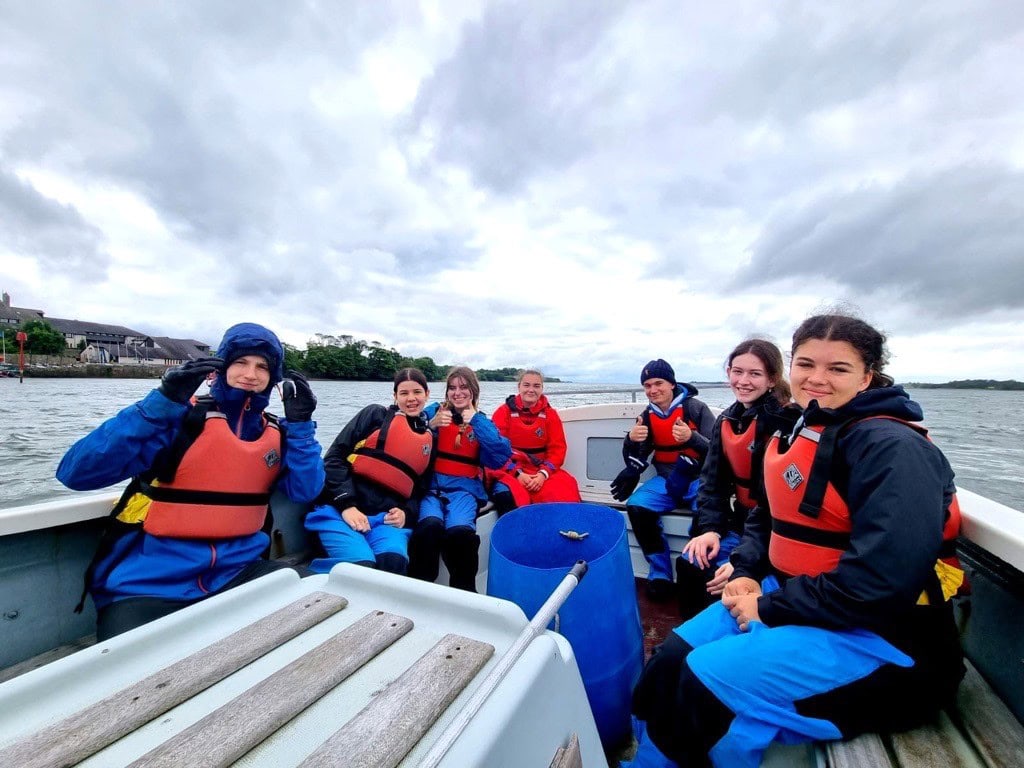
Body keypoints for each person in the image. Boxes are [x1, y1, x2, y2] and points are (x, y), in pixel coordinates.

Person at [626, 314, 965, 768]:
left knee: (704, 679)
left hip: (889, 642)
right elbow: (766, 517)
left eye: (838, 369)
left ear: (867, 376)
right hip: (799, 598)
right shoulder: (802, 427)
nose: (817, 379)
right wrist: (747, 572)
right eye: (806, 364)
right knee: (670, 660)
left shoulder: (892, 450)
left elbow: (880, 583)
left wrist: (767, 608)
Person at [56, 322, 324, 641]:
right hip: (149, 586)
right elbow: (76, 473)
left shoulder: (277, 433)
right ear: (218, 368)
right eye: (240, 362)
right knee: (126, 677)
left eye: (262, 366)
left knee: (324, 607)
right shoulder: (176, 420)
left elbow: (305, 489)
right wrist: (162, 401)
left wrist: (302, 426)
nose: (250, 374)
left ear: (273, 378)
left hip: (238, 573)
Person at [674, 339, 791, 619]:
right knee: (691, 562)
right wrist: (710, 530)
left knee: (724, 580)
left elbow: (781, 507)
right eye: (737, 372)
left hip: (774, 536)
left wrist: (745, 566)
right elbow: (712, 484)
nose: (744, 381)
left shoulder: (787, 422)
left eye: (755, 374)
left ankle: (731, 640)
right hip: (738, 524)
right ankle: (693, 640)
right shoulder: (727, 421)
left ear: (772, 379)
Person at [305, 368, 433, 575]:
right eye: (404, 393)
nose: (411, 399)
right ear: (395, 396)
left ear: (426, 394)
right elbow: (333, 459)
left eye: (417, 392)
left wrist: (406, 513)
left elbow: (419, 489)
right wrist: (347, 505)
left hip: (384, 520)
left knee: (393, 563)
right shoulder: (374, 415)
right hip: (341, 512)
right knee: (361, 569)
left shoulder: (428, 439)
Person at [611, 359, 715, 602]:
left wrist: (692, 438)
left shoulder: (696, 409)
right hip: (666, 479)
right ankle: (660, 573)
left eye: (658, 383)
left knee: (707, 513)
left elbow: (718, 452)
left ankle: (697, 568)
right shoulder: (647, 415)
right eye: (647, 385)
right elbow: (638, 455)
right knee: (637, 506)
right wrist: (631, 440)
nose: (652, 390)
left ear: (672, 383)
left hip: (699, 478)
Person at [408, 366, 511, 591]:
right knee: (429, 527)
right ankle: (419, 588)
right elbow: (407, 432)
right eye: (452, 388)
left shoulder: (482, 421)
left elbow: (500, 455)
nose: (457, 393)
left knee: (460, 534)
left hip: (464, 490)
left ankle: (465, 592)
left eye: (463, 387)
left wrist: (476, 421)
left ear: (473, 391)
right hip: (433, 488)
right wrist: (430, 426)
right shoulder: (434, 412)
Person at [488, 369, 581, 513]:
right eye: (526, 385)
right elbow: (495, 450)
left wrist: (543, 474)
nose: (531, 390)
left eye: (536, 386)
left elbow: (557, 449)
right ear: (519, 387)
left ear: (542, 389)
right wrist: (518, 474)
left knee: (565, 491)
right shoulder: (503, 413)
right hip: (510, 469)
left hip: (541, 470)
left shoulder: (550, 415)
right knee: (505, 495)